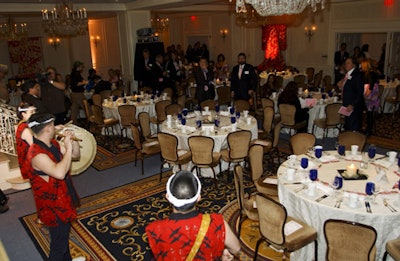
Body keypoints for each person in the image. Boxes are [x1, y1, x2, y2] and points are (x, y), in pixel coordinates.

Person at [146, 171, 241, 261]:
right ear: (198, 197)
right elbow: (236, 249)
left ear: (168, 197)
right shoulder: (217, 222)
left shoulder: (155, 229)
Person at [26, 112, 81, 261]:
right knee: (59, 246)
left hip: (62, 197)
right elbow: (60, 173)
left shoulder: (53, 144)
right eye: (52, 125)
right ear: (48, 129)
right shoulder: (37, 154)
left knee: (62, 240)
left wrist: (72, 141)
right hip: (53, 206)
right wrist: (68, 148)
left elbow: (75, 155)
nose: (56, 127)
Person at [337, 57, 364, 131]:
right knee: (348, 125)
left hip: (352, 105)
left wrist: (352, 104)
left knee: (353, 126)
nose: (346, 64)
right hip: (346, 102)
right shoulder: (348, 74)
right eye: (345, 63)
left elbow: (359, 92)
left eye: (348, 63)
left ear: (354, 65)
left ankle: (353, 141)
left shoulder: (357, 75)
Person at [15, 103, 36, 180]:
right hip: (31, 162)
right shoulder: (25, 129)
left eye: (34, 111)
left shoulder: (26, 125)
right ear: (23, 114)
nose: (34, 114)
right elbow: (36, 146)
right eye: (32, 112)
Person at [361, 59, 380, 136]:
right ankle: (369, 128)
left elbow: (370, 86)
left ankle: (369, 130)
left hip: (370, 93)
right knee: (370, 113)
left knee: (369, 113)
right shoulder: (373, 73)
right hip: (374, 92)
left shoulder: (369, 74)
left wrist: (366, 95)